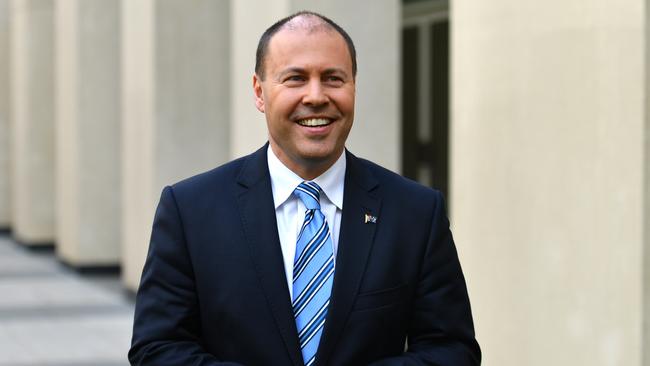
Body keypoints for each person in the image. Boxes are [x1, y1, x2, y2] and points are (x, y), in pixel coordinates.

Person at [129, 11, 481, 366]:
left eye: (333, 78)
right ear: (259, 92)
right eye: (295, 79)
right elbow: (157, 348)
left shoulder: (415, 212)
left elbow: (452, 349)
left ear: (354, 86)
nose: (316, 96)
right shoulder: (190, 211)